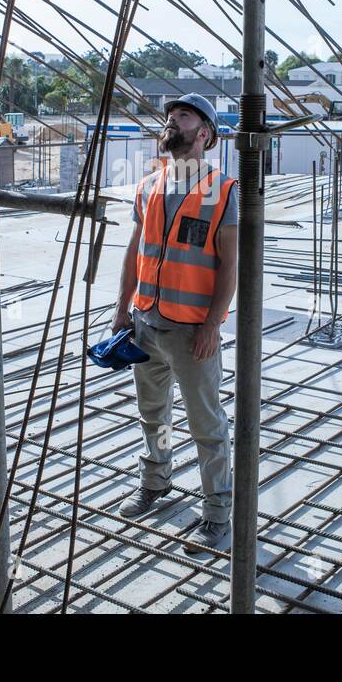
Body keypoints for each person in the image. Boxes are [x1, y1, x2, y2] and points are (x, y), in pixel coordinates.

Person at [110, 93, 238, 555]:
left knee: (207, 426)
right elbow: (133, 251)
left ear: (204, 133)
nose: (171, 122)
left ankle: (217, 512)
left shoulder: (224, 190)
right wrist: (122, 308)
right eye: (169, 116)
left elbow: (229, 265)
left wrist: (211, 325)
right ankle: (156, 481)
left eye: (182, 116)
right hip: (146, 323)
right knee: (154, 415)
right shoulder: (148, 186)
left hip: (191, 332)